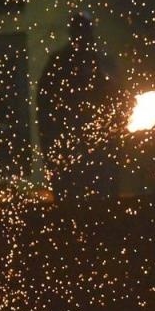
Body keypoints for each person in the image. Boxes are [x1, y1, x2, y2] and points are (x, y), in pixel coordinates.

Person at [36, 11, 118, 199]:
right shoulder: (59, 65)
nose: (83, 36)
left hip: (97, 159)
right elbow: (46, 115)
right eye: (80, 31)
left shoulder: (101, 64)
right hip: (70, 159)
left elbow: (117, 106)